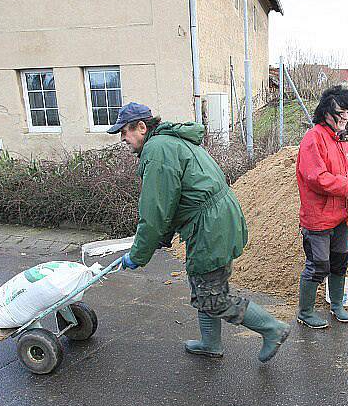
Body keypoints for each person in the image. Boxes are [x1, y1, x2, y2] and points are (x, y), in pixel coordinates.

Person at [109, 102, 290, 363]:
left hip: (210, 225)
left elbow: (155, 211)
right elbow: (172, 200)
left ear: (141, 127)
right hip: (214, 220)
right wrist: (161, 237)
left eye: (124, 132)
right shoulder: (168, 142)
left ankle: (273, 329)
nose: (123, 139)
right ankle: (210, 343)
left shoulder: (157, 149)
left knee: (212, 296)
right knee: (203, 283)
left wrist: (137, 255)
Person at [295, 85, 348, 329]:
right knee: (318, 265)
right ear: (326, 112)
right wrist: (346, 185)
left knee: (339, 260)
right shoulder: (313, 138)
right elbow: (316, 177)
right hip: (319, 217)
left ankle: (336, 305)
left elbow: (345, 171)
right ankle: (305, 311)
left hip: (341, 216)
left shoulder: (340, 141)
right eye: (340, 113)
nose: (345, 118)